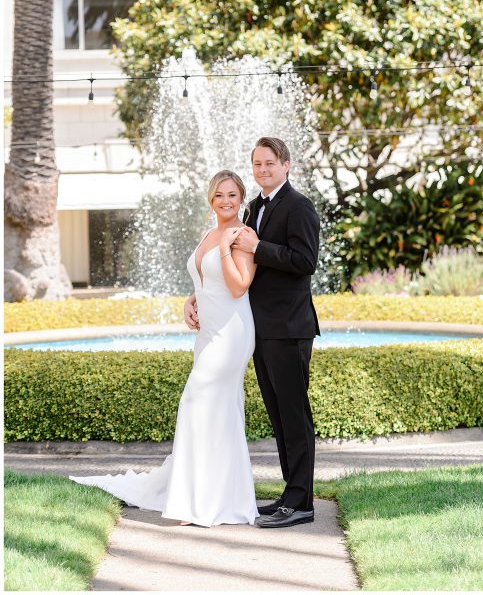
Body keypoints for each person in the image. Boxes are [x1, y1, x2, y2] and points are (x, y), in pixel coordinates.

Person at [72, 171, 258, 527]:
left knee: (195, 402)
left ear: (241, 198)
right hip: (208, 333)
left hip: (232, 333)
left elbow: (239, 286)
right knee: (214, 410)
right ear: (211, 198)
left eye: (232, 195)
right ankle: (210, 496)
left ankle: (201, 501)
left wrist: (224, 249)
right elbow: (206, 280)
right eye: (219, 195)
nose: (226, 201)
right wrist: (191, 300)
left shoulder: (242, 235)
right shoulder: (209, 233)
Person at [186, 136, 321, 529]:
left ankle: (302, 503)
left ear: (286, 165)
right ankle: (290, 493)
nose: (263, 170)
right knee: (279, 416)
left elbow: (305, 261)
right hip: (260, 329)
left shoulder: (298, 206)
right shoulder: (255, 207)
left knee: (295, 415)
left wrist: (259, 247)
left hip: (289, 329)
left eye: (269, 163)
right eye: (257, 164)